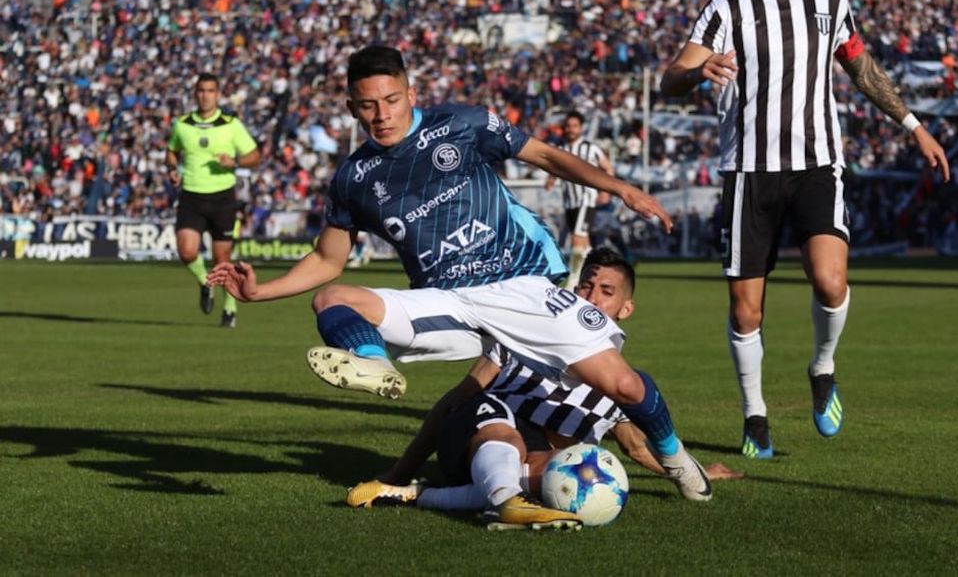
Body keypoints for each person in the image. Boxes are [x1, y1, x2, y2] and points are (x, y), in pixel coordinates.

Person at [208, 46, 710, 503]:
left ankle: (676, 458)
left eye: (391, 100)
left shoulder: (461, 125)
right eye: (367, 105)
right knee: (332, 299)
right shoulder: (354, 178)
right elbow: (328, 260)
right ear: (350, 107)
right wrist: (260, 291)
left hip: (522, 288)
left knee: (624, 386)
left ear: (411, 93)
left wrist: (621, 188)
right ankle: (374, 363)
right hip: (447, 302)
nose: (381, 115)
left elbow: (546, 155)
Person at [660, 0, 950, 458]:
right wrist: (702, 69)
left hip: (817, 164)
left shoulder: (830, 0)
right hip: (749, 171)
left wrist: (914, 125)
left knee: (830, 280)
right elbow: (670, 78)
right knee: (747, 312)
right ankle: (755, 415)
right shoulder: (726, 8)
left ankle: (822, 367)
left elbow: (861, 68)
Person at [344, 249, 741, 530]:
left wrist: (695, 473)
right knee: (499, 422)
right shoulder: (519, 340)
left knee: (563, 466)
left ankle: (435, 496)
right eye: (586, 286)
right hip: (473, 437)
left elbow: (636, 447)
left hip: (523, 467)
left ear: (625, 309)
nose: (591, 297)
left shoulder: (619, 387)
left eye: (606, 291)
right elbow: (453, 403)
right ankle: (479, 493)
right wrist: (399, 470)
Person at [167, 72, 260, 328]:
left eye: (210, 90)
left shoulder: (231, 125)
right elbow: (172, 151)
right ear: (195, 93)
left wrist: (236, 161)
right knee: (186, 251)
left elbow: (255, 156)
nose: (205, 95)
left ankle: (229, 308)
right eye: (201, 90)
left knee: (223, 261)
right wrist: (172, 169)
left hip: (222, 199)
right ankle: (204, 282)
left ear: (217, 94)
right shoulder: (182, 124)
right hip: (191, 196)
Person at [545, 111, 614, 289]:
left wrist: (606, 190)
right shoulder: (561, 149)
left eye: (574, 126)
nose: (571, 129)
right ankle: (598, 275)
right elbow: (555, 167)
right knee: (584, 246)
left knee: (577, 240)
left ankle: (573, 282)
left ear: (581, 127)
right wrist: (551, 178)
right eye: (568, 126)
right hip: (570, 202)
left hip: (586, 199)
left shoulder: (591, 148)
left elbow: (607, 167)